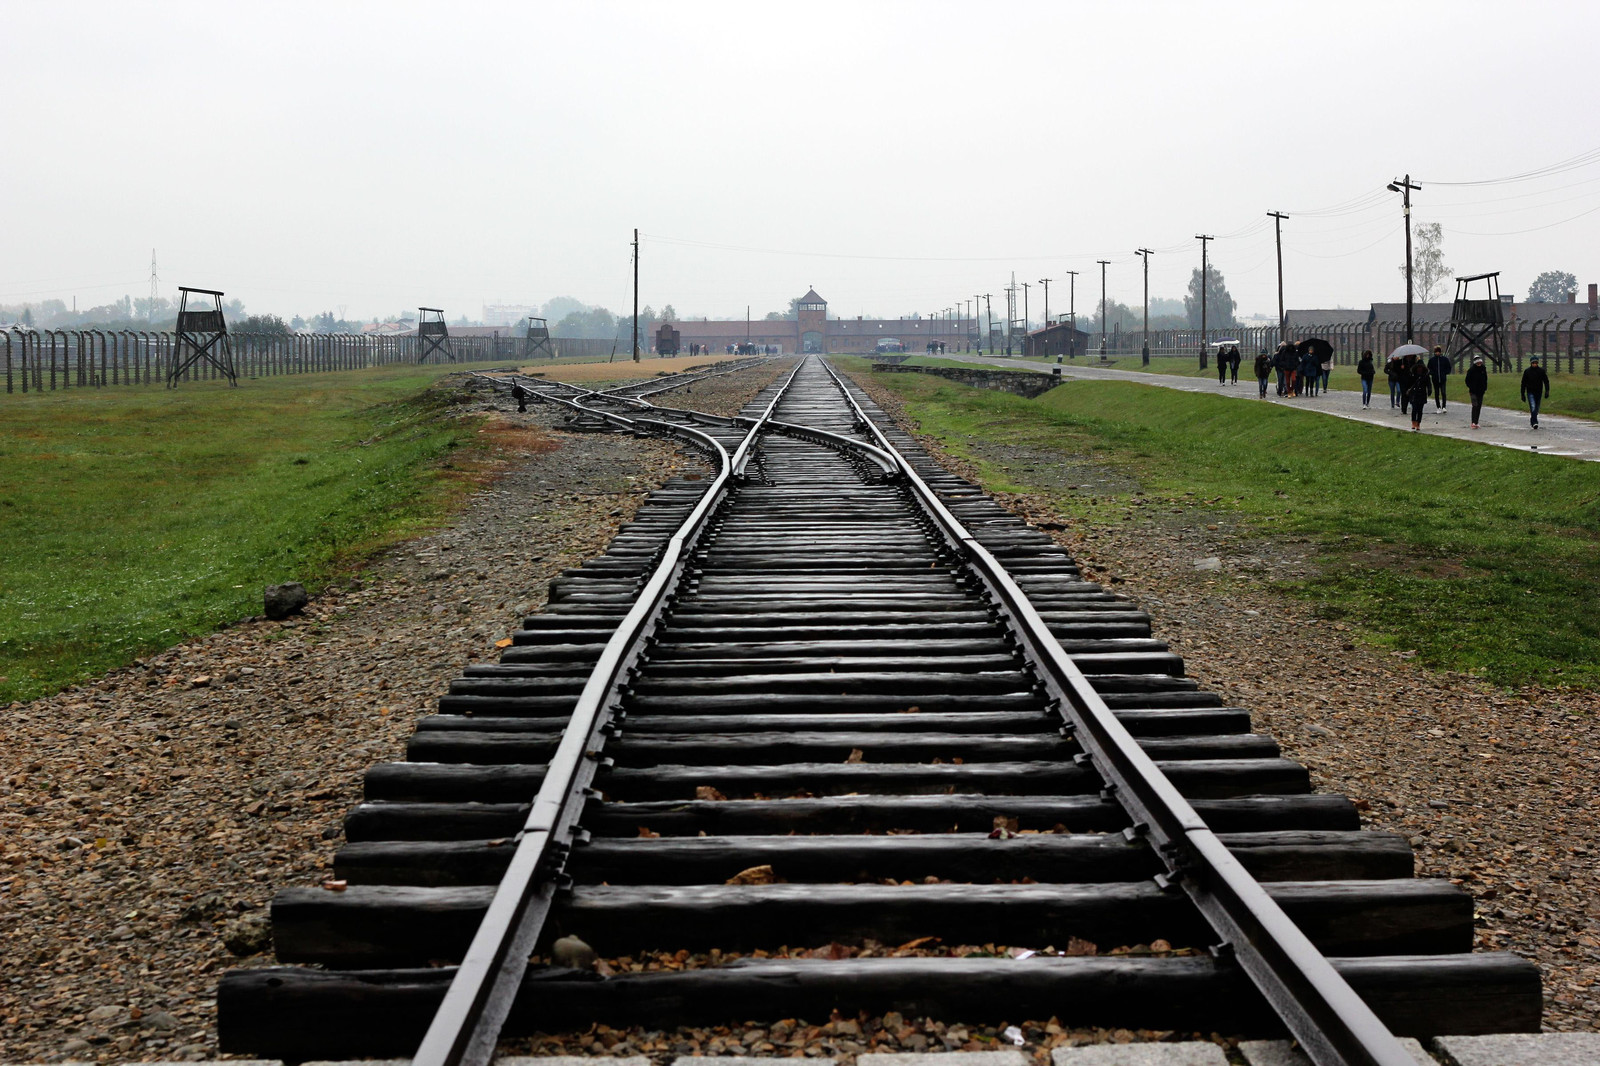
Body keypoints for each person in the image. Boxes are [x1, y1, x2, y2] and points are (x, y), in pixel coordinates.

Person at [1520, 354, 1551, 429]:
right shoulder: (1527, 371)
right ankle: (1534, 422)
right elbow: (1523, 383)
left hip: (1538, 392)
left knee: (1536, 408)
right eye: (1533, 363)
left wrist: (1547, 391)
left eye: (1536, 363)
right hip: (1530, 392)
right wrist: (1522, 394)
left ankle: (1533, 419)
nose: (1534, 364)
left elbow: (1546, 381)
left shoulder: (1541, 371)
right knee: (1533, 406)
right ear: (1531, 363)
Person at [1404, 353, 1432, 431]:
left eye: (1421, 367)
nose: (1419, 369)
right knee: (1414, 409)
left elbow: (1428, 383)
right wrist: (1407, 390)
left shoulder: (1425, 375)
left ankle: (1418, 423)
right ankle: (1413, 422)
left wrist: (1429, 390)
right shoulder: (1412, 374)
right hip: (1414, 393)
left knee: (1420, 410)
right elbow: (1408, 383)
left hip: (1422, 393)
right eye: (1418, 367)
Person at [1464, 354, 1488, 429]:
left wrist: (1484, 388)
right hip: (1473, 391)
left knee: (1479, 406)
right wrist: (1471, 387)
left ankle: (1476, 422)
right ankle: (1473, 422)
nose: (1479, 364)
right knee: (1475, 405)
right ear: (1475, 363)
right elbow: (1467, 380)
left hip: (1481, 391)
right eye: (1478, 363)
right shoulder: (1471, 370)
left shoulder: (1483, 369)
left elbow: (1485, 379)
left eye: (1480, 362)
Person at [1427, 345, 1452, 411]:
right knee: (1437, 393)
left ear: (1440, 352)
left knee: (1443, 392)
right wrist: (1432, 373)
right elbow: (1429, 368)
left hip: (1443, 379)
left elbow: (1448, 367)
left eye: (1438, 352)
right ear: (1435, 352)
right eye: (1436, 352)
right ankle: (1438, 407)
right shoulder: (1432, 360)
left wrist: (1445, 372)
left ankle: (1444, 406)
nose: (1437, 353)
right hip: (1435, 379)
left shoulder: (1445, 359)